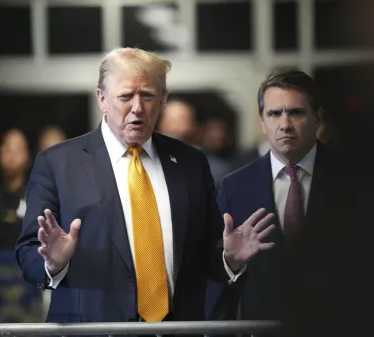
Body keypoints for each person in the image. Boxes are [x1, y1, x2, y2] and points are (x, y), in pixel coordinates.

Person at [15, 47, 275, 324]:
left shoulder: (190, 163)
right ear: (102, 98)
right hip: (91, 330)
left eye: (148, 96)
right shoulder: (57, 164)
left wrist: (229, 258)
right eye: (125, 96)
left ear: (162, 101)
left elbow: (204, 253)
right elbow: (29, 251)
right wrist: (53, 264)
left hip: (178, 329)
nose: (138, 107)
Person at [217, 70, 374, 336]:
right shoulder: (235, 186)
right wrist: (232, 262)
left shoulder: (358, 180)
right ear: (262, 122)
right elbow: (217, 278)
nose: (285, 124)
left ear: (318, 117)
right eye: (274, 114)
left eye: (296, 112)